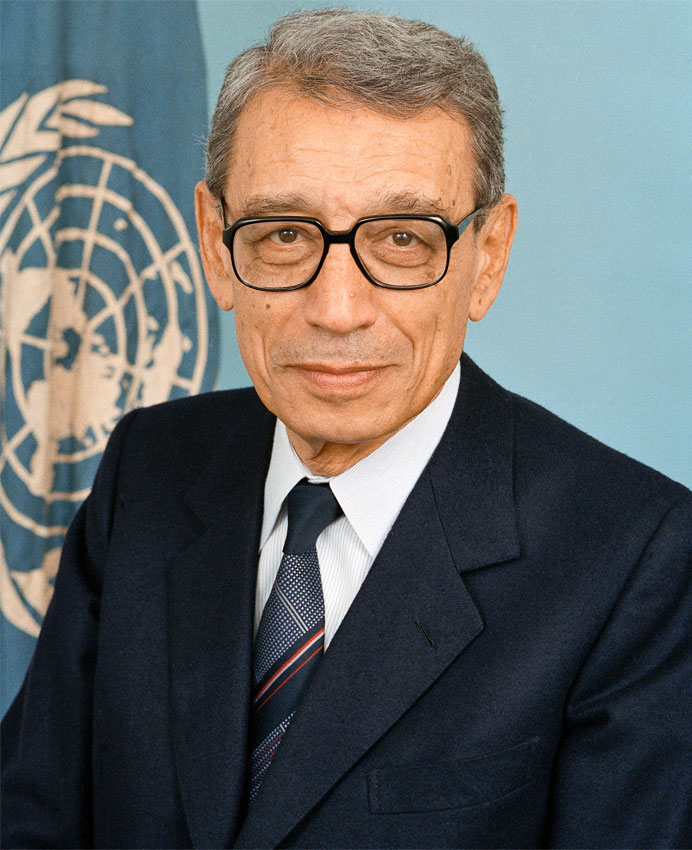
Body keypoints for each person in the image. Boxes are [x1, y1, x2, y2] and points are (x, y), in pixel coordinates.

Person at [2, 8, 691, 849]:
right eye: (284, 234)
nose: (336, 310)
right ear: (216, 245)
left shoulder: (637, 560)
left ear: (488, 257)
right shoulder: (148, 467)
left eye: (402, 239)